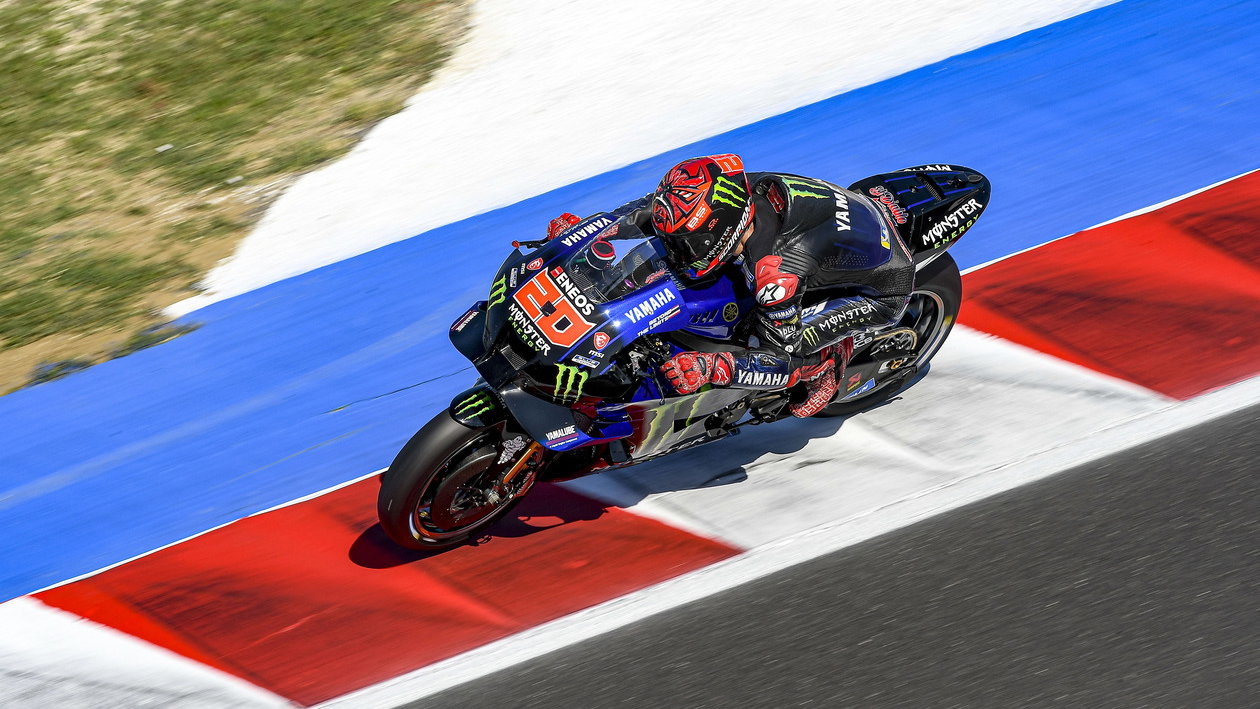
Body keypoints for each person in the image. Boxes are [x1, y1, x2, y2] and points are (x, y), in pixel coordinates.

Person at [548, 154, 915, 417]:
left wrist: (711, 367)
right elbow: (647, 212)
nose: (675, 250)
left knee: (787, 344)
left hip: (882, 286)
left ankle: (826, 364)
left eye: (686, 244)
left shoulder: (775, 275)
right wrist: (583, 233)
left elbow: (781, 358)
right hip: (832, 232)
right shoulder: (722, 191)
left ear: (721, 233)